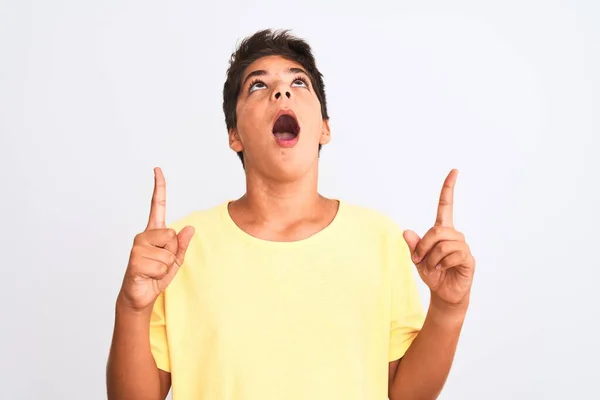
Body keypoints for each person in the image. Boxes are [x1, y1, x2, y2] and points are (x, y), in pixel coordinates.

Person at [106, 29, 476, 400]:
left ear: (324, 128)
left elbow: (405, 394)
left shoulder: (378, 239)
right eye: (256, 86)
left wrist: (448, 308)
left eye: (298, 82)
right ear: (234, 134)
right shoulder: (178, 249)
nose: (281, 91)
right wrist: (132, 307)